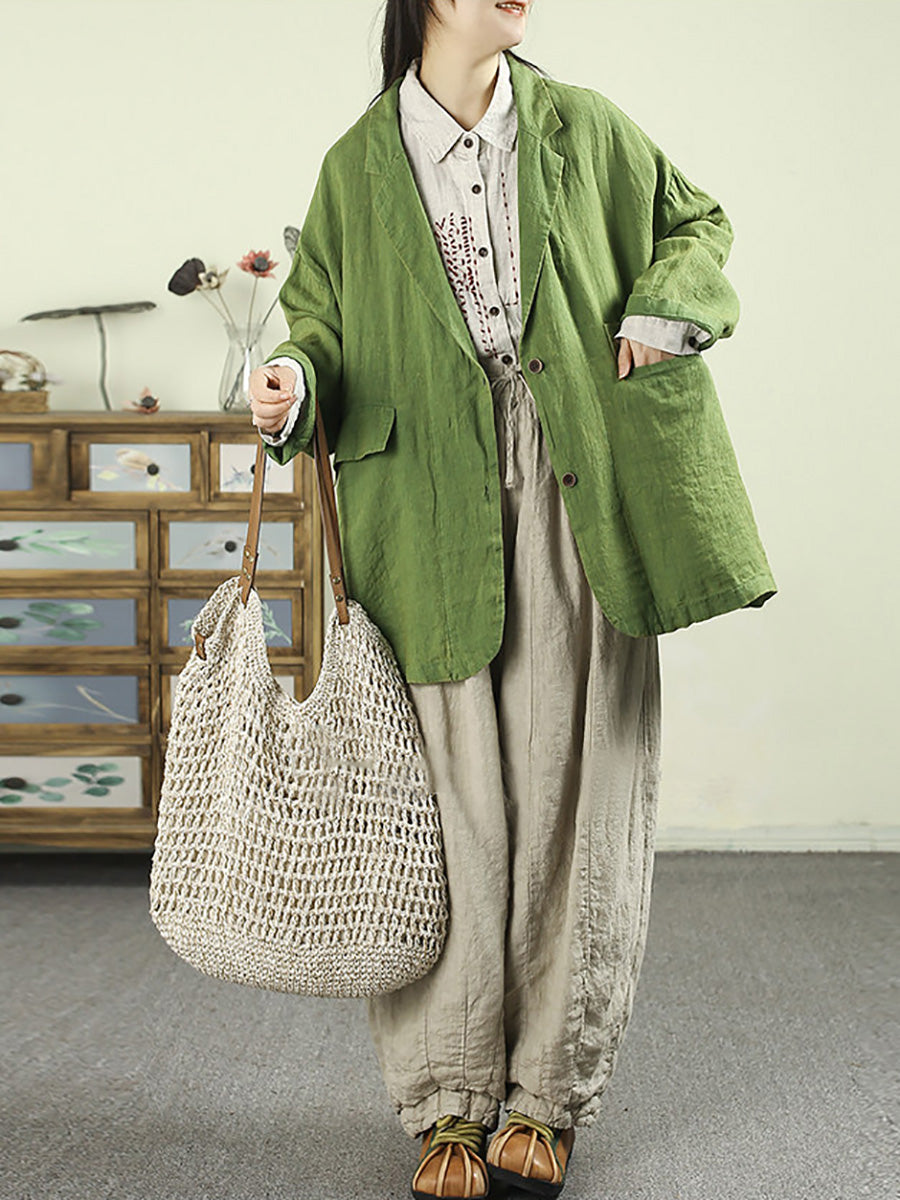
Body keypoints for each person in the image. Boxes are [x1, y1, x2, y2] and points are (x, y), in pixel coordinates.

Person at [249, 3, 776, 1197]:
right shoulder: (355, 164)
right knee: (444, 809)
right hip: (421, 495)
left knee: (576, 784)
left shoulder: (582, 126)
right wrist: (289, 380)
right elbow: (319, 325)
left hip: (577, 468)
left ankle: (546, 1094)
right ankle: (447, 1095)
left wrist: (662, 313)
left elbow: (695, 222)